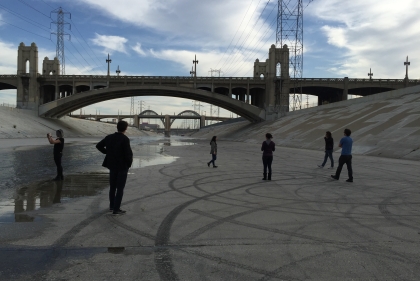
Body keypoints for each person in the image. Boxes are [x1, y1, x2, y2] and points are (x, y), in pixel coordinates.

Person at [96, 121, 133, 215]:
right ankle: (116, 209)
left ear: (117, 127)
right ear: (126, 128)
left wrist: (106, 152)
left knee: (112, 187)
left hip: (111, 165)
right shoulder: (124, 139)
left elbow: (98, 146)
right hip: (122, 166)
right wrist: (129, 164)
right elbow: (128, 154)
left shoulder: (109, 137)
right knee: (120, 188)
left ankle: (112, 206)